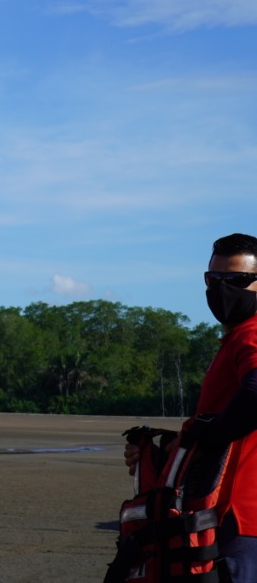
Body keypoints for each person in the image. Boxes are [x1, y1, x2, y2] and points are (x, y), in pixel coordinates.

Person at [122, 233, 257, 582]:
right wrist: (172, 447)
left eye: (239, 281)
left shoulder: (251, 334)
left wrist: (204, 441)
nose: (223, 289)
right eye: (214, 279)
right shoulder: (235, 338)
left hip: (242, 518)